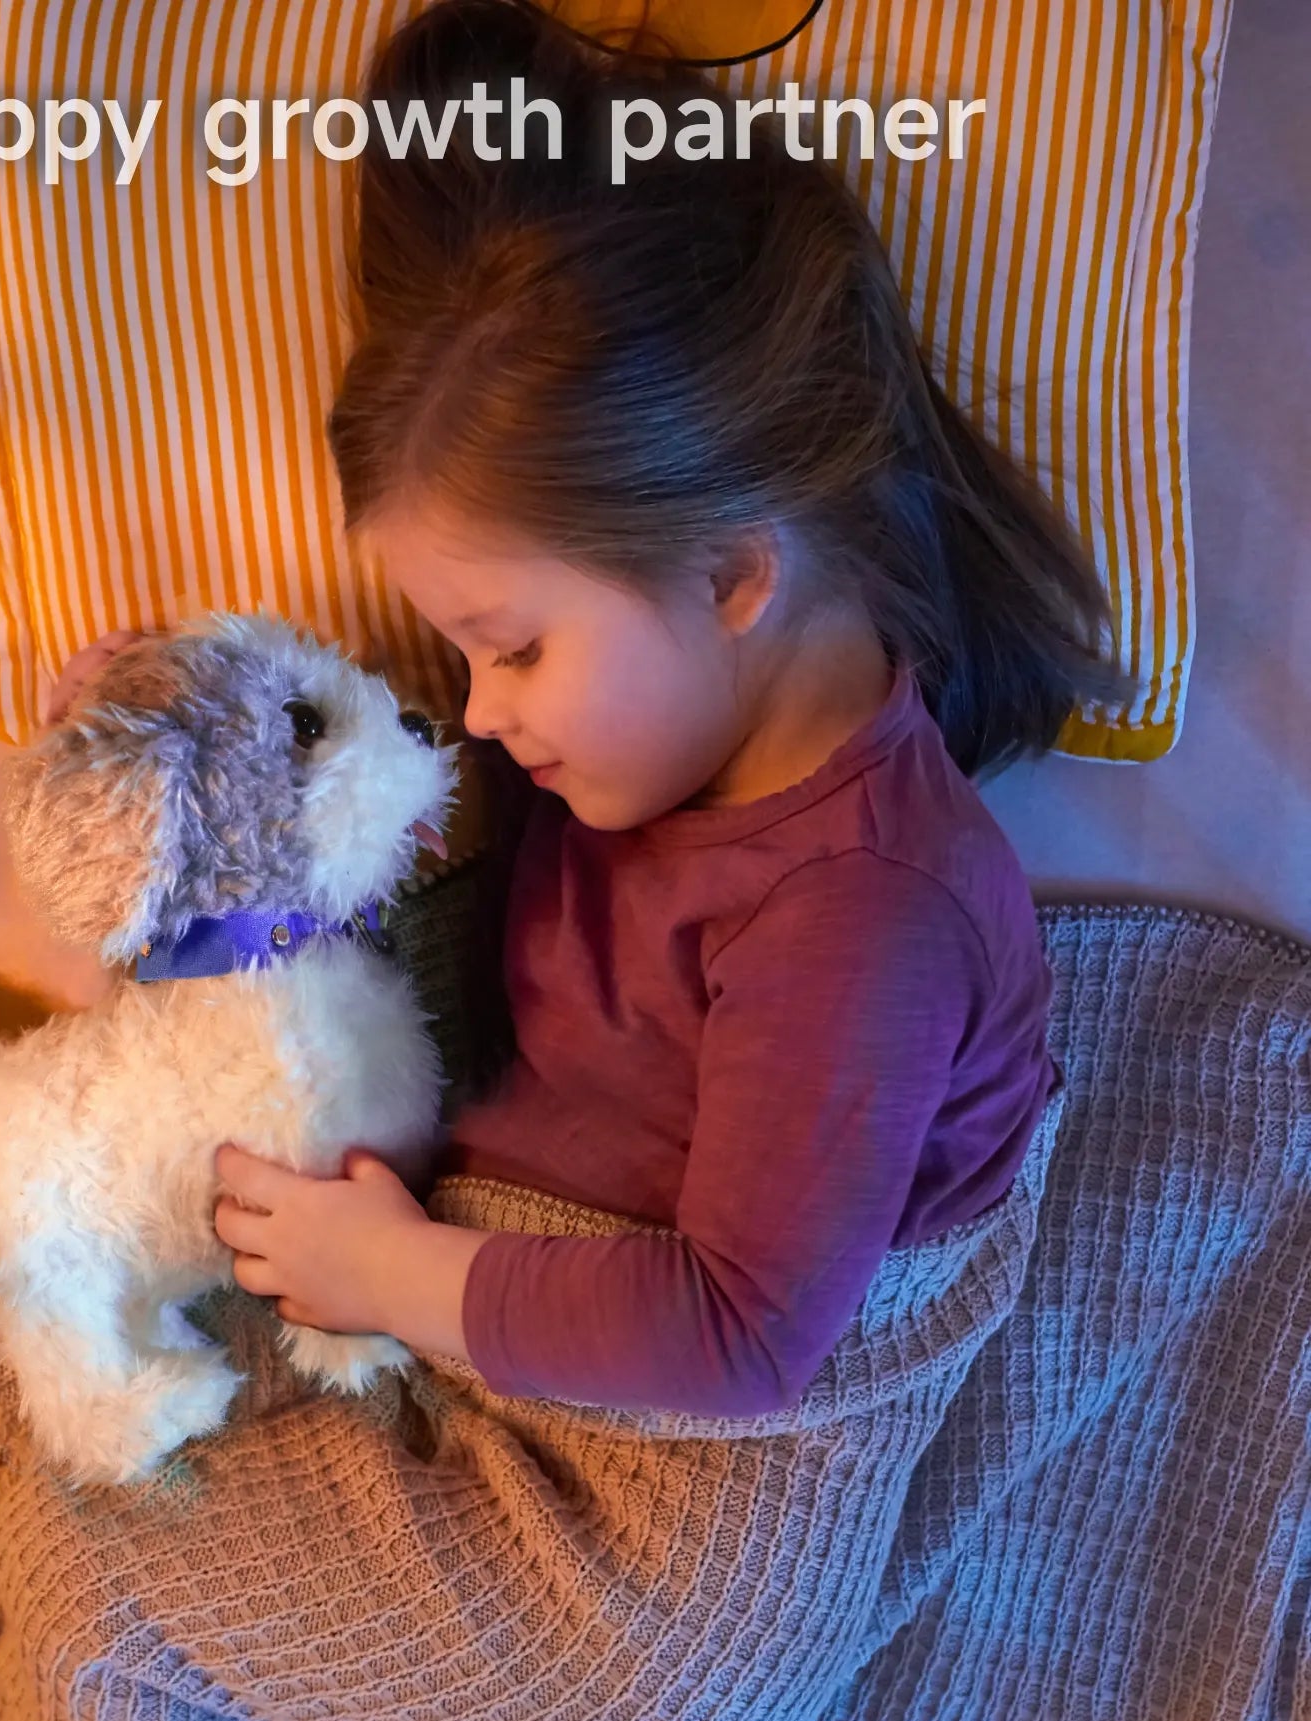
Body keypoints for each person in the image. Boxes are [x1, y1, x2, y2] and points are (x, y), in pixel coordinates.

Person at [111, 0, 1128, 1416]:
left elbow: (743, 1339)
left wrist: (394, 1276)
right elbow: (372, 819)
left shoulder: (859, 912)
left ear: (730, 576)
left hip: (704, 1463)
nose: (474, 714)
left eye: (512, 648)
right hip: (492, 1297)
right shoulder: (650, 739)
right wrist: (147, 732)